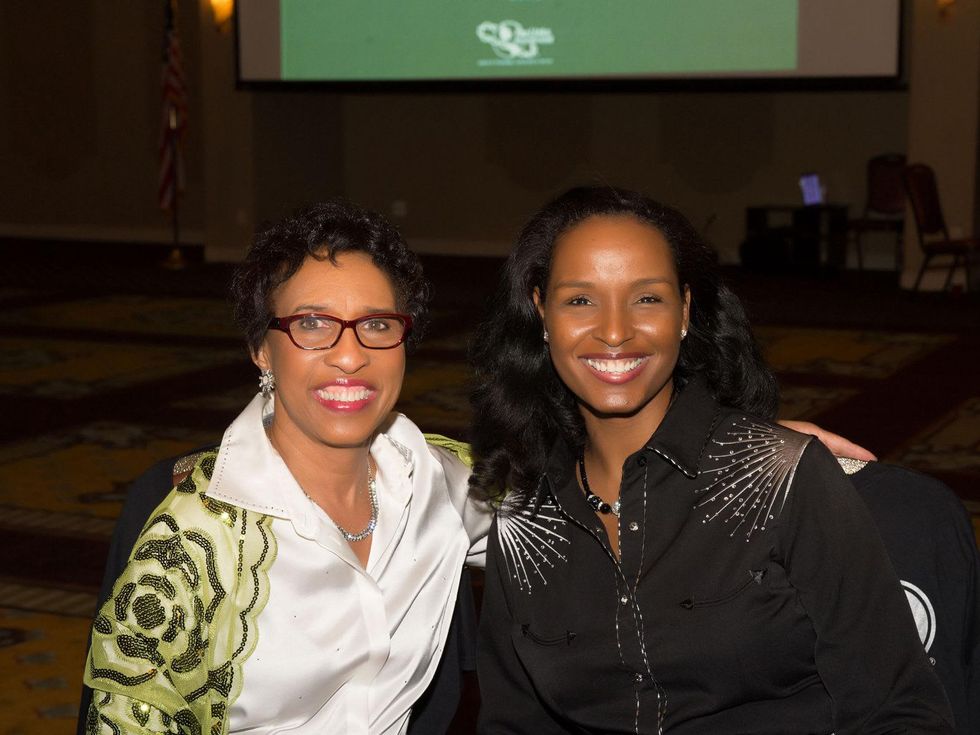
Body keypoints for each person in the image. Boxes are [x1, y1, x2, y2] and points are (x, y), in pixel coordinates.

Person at [469, 186, 955, 733]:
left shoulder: (780, 478)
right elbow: (513, 723)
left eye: (646, 298)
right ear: (541, 313)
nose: (614, 331)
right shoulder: (526, 520)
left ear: (685, 309)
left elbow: (900, 712)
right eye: (580, 300)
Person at [82, 200, 489, 734]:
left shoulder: (438, 480)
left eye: (377, 324)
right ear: (262, 350)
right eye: (312, 324)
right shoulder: (195, 538)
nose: (350, 356)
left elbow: (569, 510)